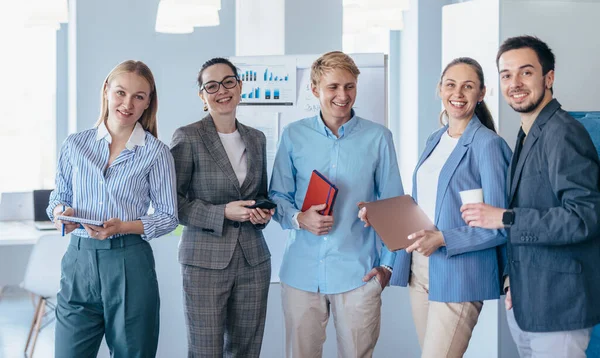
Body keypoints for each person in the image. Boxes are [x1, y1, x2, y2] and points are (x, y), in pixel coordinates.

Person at [360, 57, 512, 357]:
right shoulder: (435, 139)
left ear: (481, 93)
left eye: (468, 86)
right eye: (451, 84)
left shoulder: (488, 145)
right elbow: (420, 205)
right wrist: (379, 214)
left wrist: (442, 238)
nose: (458, 93)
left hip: (459, 272)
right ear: (439, 89)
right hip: (421, 269)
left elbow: (500, 225)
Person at [461, 35, 600, 357]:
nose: (515, 83)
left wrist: (505, 217)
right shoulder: (530, 131)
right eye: (507, 75)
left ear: (548, 77)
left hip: (559, 305)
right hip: (529, 298)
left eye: (526, 72)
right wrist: (513, 281)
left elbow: (584, 216)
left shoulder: (562, 132)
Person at [269, 51, 403, 358]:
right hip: (301, 273)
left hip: (358, 273)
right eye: (333, 87)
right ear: (315, 89)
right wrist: (300, 218)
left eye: (349, 86)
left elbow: (393, 205)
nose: (343, 96)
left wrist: (386, 266)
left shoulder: (379, 138)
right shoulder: (293, 136)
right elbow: (278, 197)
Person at [47, 60, 178, 357]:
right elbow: (58, 198)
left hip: (129, 262)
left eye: (138, 97)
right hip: (78, 261)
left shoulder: (156, 153)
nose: (127, 103)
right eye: (120, 92)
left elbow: (169, 217)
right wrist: (59, 215)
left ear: (148, 103)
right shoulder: (74, 145)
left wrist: (124, 226)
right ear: (106, 91)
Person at [170, 57, 273, 357]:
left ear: (240, 87)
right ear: (202, 95)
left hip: (253, 261)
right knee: (205, 351)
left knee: (246, 351)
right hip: (204, 261)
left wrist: (262, 213)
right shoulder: (187, 137)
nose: (222, 90)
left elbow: (261, 193)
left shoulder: (257, 138)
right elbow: (173, 204)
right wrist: (223, 212)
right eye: (211, 86)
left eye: (228, 82)